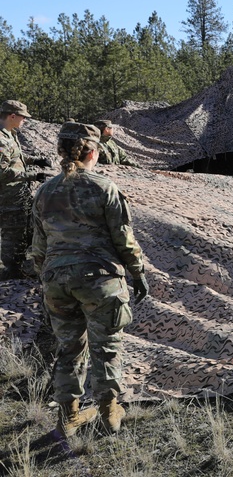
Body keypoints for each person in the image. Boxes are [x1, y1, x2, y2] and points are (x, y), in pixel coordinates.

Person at [30, 122, 149, 436]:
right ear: (93, 152)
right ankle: (109, 412)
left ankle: (68, 417)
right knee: (106, 348)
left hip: (57, 281)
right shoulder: (103, 187)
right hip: (99, 280)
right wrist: (137, 272)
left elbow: (38, 248)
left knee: (68, 349)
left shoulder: (44, 191)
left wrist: (50, 278)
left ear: (60, 151)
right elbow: (123, 239)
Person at [0, 100, 51, 279]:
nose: (25, 121)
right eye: (23, 117)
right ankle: (8, 272)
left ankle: (18, 267)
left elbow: (15, 157)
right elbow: (2, 171)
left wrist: (35, 161)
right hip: (7, 196)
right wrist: (31, 176)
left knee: (24, 229)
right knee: (12, 234)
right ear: (12, 116)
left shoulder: (9, 134)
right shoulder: (0, 138)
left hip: (17, 194)